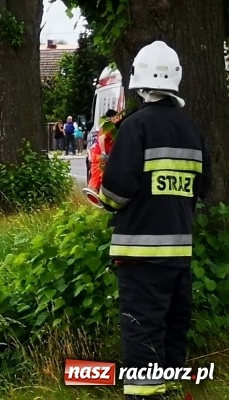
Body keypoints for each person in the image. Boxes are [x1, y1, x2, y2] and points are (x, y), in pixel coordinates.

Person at [97, 40, 211, 400]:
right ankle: (172, 387)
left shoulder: (135, 127)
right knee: (173, 325)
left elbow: (117, 191)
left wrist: (104, 201)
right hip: (179, 251)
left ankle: (145, 396)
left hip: (140, 254)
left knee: (142, 328)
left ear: (139, 80)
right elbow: (203, 187)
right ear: (176, 78)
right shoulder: (191, 129)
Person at [88, 109, 120, 191]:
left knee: (101, 178)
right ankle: (92, 196)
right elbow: (101, 138)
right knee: (96, 179)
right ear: (111, 118)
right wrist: (103, 152)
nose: (118, 119)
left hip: (101, 155)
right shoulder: (108, 126)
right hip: (99, 155)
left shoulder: (110, 127)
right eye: (116, 117)